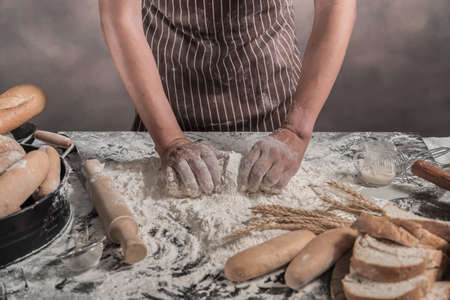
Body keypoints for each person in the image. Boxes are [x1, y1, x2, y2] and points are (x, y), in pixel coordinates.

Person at [98, 0, 356, 195]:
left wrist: (296, 131)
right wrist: (169, 140)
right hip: (165, 106)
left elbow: (334, 6)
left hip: (275, 109)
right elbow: (120, 18)